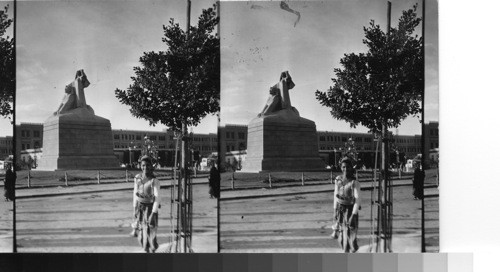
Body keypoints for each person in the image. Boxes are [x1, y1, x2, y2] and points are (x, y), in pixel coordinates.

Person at [130, 156, 160, 252]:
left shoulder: (154, 180)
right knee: (141, 232)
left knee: (151, 230)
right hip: (140, 206)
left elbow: (157, 197)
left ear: (151, 166)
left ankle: (153, 246)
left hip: (150, 207)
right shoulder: (137, 178)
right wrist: (135, 208)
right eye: (143, 165)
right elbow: (135, 194)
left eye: (147, 165)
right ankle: (145, 248)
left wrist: (153, 213)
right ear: (140, 166)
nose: (145, 167)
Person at [331, 157, 361, 253]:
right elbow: (336, 195)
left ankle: (351, 250)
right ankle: (345, 250)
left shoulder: (354, 182)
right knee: (341, 237)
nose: (345, 169)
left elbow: (357, 199)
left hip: (350, 210)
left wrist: (353, 215)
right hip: (340, 209)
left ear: (351, 168)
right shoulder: (338, 180)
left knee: (351, 237)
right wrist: (335, 210)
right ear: (341, 168)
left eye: (348, 167)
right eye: (343, 167)